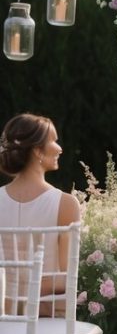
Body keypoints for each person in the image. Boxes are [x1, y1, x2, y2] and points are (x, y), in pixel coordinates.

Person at [0, 113, 81, 313]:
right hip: (46, 319)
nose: (60, 148)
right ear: (37, 150)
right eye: (53, 140)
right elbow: (68, 277)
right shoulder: (66, 204)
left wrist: (12, 292)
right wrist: (31, 289)